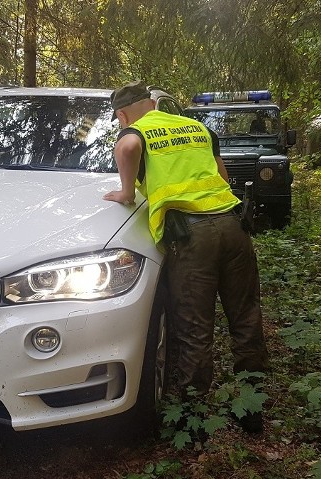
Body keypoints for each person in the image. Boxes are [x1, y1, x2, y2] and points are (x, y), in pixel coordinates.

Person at [103, 80, 268, 433]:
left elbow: (129, 146)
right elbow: (222, 177)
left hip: (193, 236)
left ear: (122, 114)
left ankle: (193, 417)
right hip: (233, 225)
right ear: (151, 103)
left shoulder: (137, 131)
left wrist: (127, 191)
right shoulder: (197, 127)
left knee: (194, 327)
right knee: (245, 317)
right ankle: (253, 407)